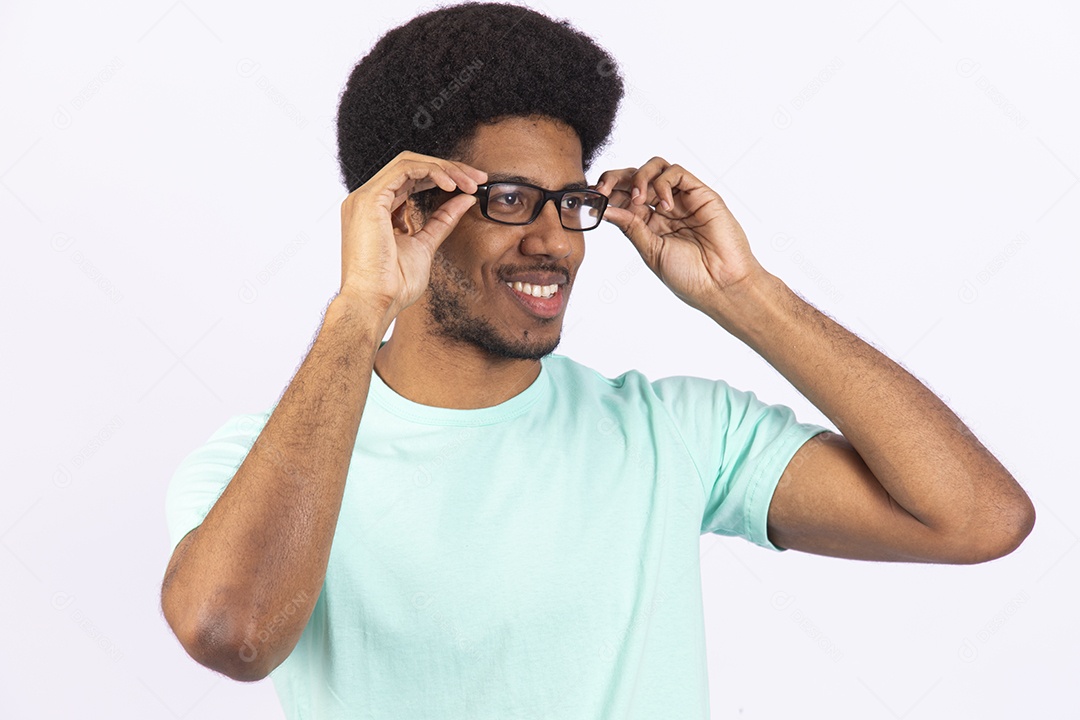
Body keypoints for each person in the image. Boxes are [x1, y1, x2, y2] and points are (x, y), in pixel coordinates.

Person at [160, 3, 1035, 718]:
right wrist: (360, 310)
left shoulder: (675, 432)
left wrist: (743, 292)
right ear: (405, 209)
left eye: (570, 201)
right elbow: (232, 632)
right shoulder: (263, 467)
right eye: (509, 200)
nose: (555, 242)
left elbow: (975, 520)